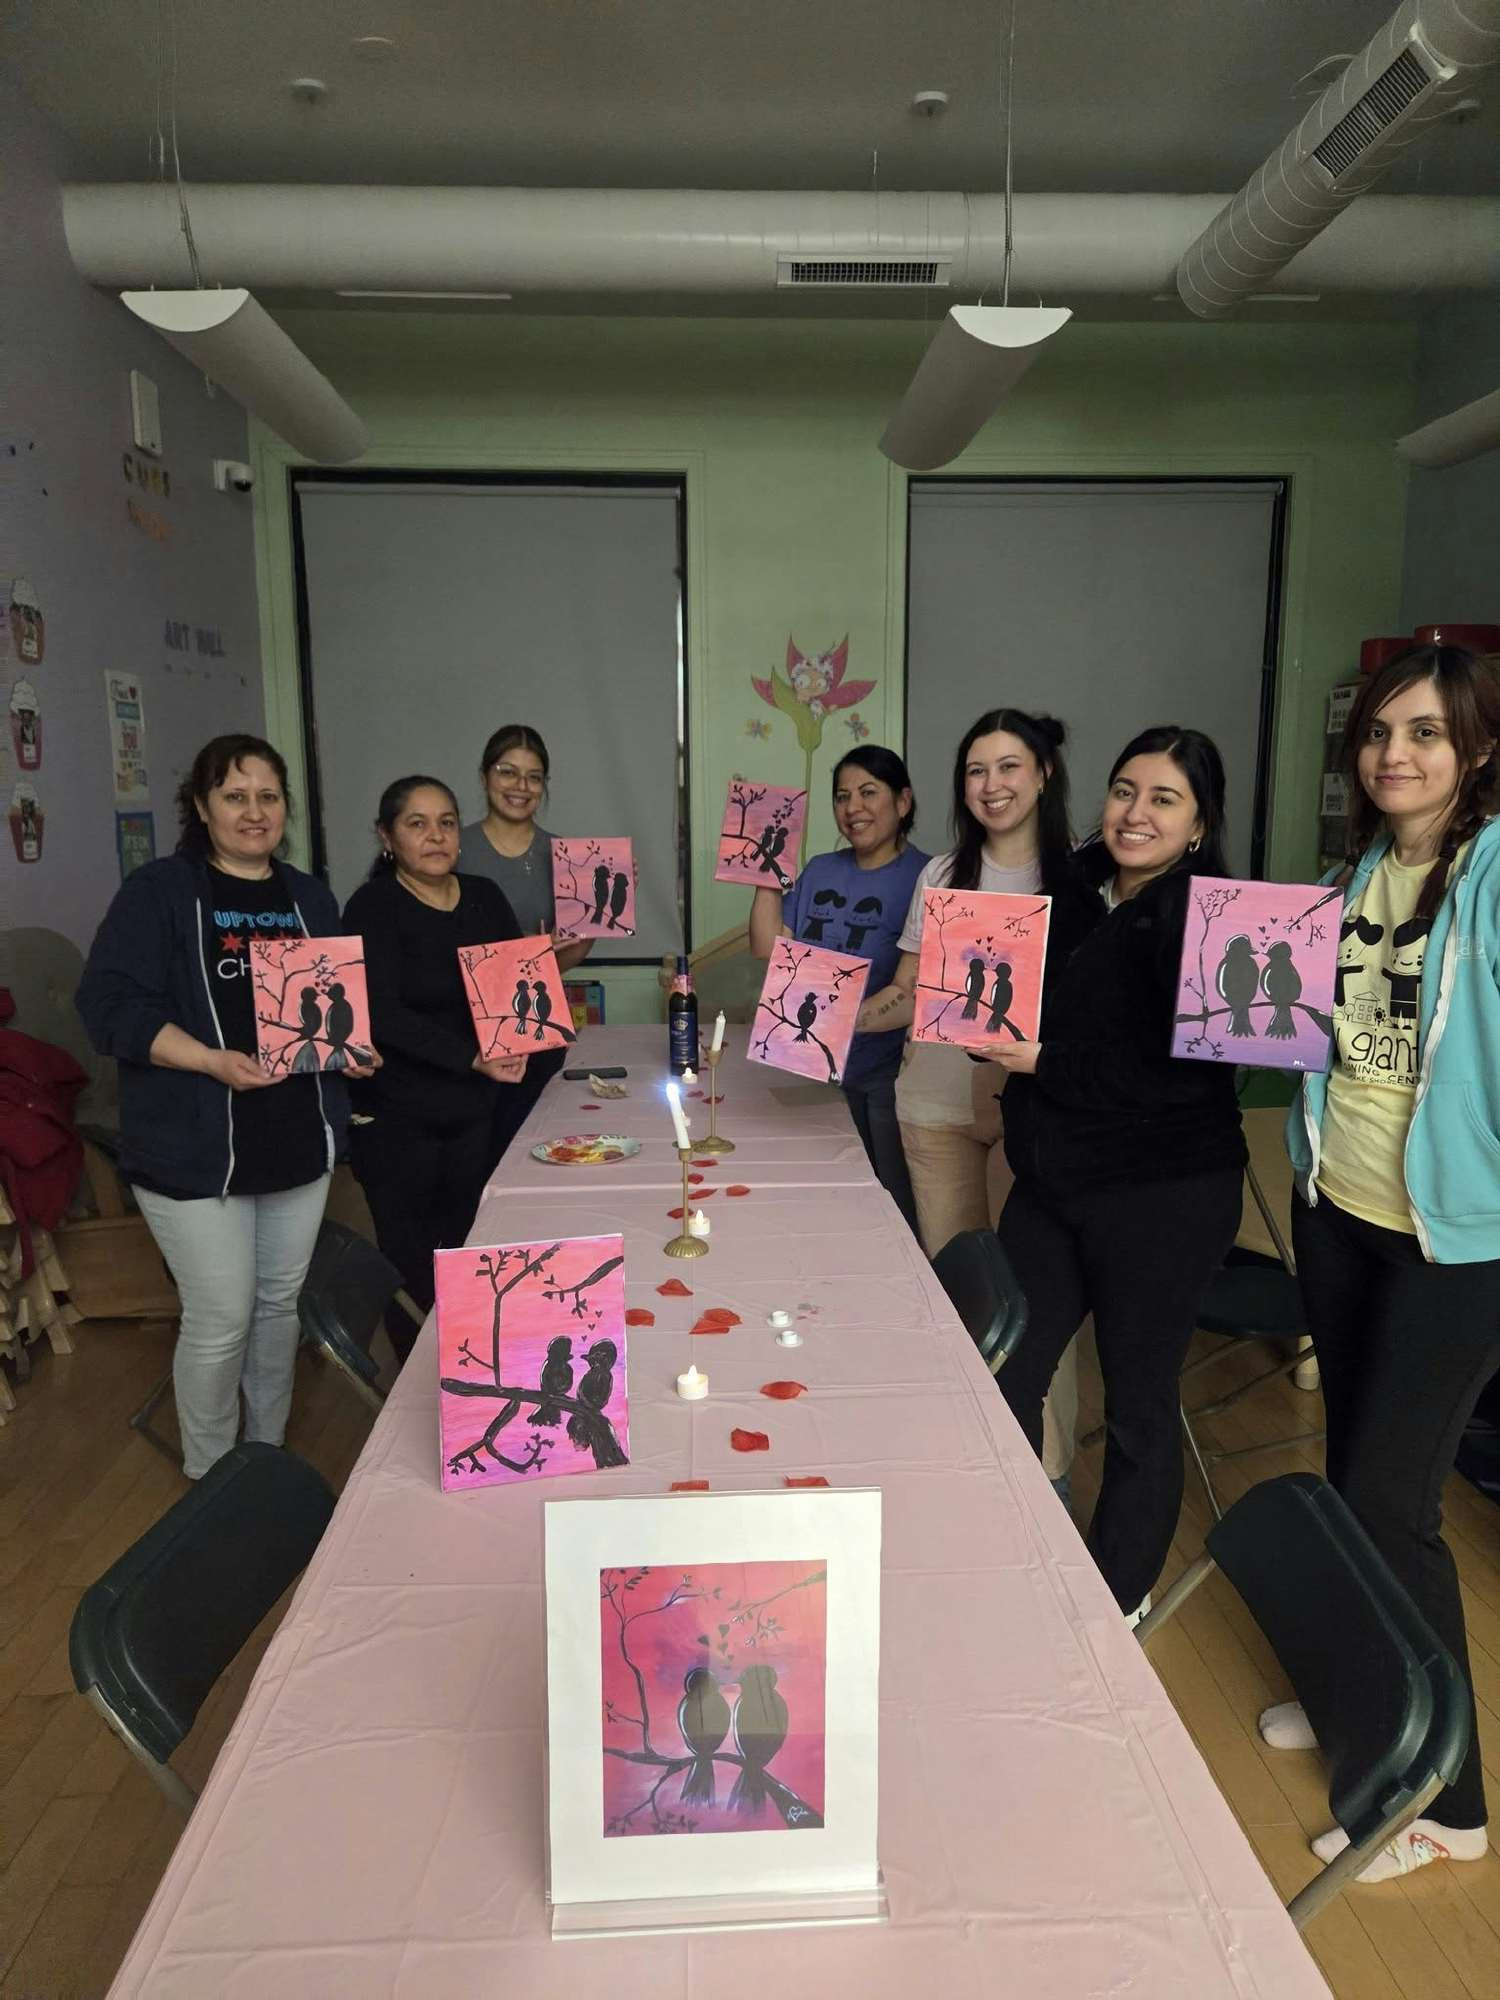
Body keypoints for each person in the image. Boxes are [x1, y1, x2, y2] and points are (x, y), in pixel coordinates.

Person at [1273, 644, 1500, 1882]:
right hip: (1342, 1210)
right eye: (1376, 733)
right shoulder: (1354, 873)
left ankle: (1446, 1794)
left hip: (1457, 1238)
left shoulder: (1498, 872)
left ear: (1472, 749)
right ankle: (1372, 1693)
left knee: (1392, 1502)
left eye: (1422, 732)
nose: (1393, 753)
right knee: (1346, 1472)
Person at [986, 726, 1245, 1618]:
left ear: (1201, 823)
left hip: (1162, 1196)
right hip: (1053, 1184)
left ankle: (1115, 1596)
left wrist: (1042, 1061)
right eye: (1125, 789)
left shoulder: (1214, 918)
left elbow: (1184, 1074)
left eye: (1164, 797)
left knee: (1137, 1405)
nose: (1136, 812)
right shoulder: (1070, 887)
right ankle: (1017, 1551)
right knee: (1003, 1368)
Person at [76, 734, 370, 1478]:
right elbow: (107, 1006)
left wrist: (352, 1050)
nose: (254, 812)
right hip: (193, 1148)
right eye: (235, 796)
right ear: (202, 807)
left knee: (277, 1312)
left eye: (268, 797)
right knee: (220, 1319)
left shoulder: (309, 897)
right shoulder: (161, 893)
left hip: (298, 1142)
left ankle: (261, 1461)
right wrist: (209, 1060)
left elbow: (330, 1006)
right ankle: (211, 1480)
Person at [853, 710, 1104, 1496]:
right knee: (965, 1300)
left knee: (1038, 1314)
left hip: (1031, 1117)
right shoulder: (941, 876)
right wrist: (822, 1015)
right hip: (930, 1107)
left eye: (1008, 768)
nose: (991, 786)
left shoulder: (1082, 879)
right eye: (975, 771)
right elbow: (904, 993)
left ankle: (1046, 1479)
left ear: (1044, 774)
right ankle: (977, 1472)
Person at [342, 776, 528, 1360]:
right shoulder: (372, 906)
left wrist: (523, 1034)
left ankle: (474, 1369)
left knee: (472, 1251)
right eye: (416, 823)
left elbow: (513, 984)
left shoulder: (484, 896)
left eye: (446, 821)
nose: (435, 835)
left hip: (475, 1109)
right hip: (397, 1116)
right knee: (411, 1260)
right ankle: (413, 1389)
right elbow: (381, 1012)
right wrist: (472, 1055)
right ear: (387, 836)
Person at [748, 746, 929, 1226]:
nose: (853, 808)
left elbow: (923, 988)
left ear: (904, 802)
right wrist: (767, 875)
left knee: (893, 1205)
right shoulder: (822, 870)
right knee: (825, 1203)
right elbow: (770, 951)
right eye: (842, 796)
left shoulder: (928, 875)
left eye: (869, 792)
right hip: (815, 1069)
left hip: (889, 1075)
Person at [458, 725, 588, 1158]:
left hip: (534, 1026)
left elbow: (563, 961)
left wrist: (598, 912)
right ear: (484, 776)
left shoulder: (568, 856)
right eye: (507, 772)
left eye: (534, 777)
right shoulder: (450, 847)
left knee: (531, 1156)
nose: (521, 786)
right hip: (461, 1034)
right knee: (472, 1160)